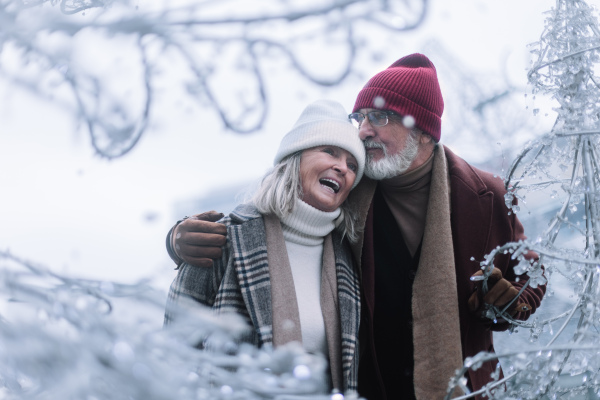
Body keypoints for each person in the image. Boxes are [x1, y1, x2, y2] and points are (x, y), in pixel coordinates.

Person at [165, 54, 546, 399]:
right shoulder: (352, 182)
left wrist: (511, 302)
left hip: (461, 388)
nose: (363, 131)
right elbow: (282, 207)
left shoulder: (486, 195)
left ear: (424, 131)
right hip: (370, 388)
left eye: (378, 117)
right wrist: (179, 240)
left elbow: (531, 274)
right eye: (359, 117)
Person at [164, 100, 365, 394]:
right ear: (295, 157)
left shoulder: (348, 258)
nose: (342, 167)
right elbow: (173, 352)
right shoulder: (226, 239)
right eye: (330, 151)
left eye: (352, 165)